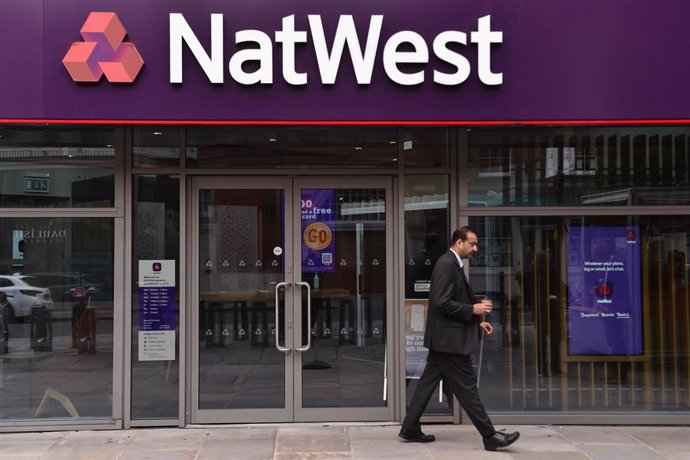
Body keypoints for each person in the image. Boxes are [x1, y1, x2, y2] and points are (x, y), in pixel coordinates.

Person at [398, 226, 520, 451]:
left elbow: (449, 302)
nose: (476, 248)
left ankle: (409, 427)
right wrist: (472, 310)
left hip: (444, 338)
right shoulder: (447, 265)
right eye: (472, 244)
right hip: (450, 342)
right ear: (459, 243)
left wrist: (477, 321)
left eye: (476, 244)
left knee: (427, 383)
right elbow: (442, 301)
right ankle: (490, 436)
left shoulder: (452, 263)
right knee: (467, 388)